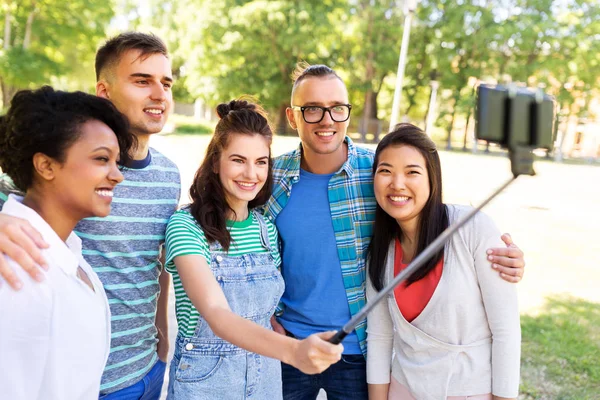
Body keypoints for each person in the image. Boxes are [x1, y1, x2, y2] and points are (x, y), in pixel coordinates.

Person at [262, 63, 526, 400]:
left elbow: (428, 210)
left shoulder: (377, 172)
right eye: (312, 109)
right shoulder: (270, 177)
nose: (327, 120)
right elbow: (250, 246)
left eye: (337, 109)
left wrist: (505, 257)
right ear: (292, 116)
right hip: (291, 345)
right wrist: (266, 314)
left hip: (359, 348)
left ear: (348, 113)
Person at [0, 32, 180, 399]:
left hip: (146, 369)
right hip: (86, 383)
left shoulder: (170, 174)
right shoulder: (62, 164)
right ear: (104, 91)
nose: (159, 94)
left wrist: (161, 339)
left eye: (166, 83)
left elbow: (153, 265)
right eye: (142, 81)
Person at [164, 99, 343, 399]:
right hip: (205, 384)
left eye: (261, 162)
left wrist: (276, 323)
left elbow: (265, 309)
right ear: (215, 162)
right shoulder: (185, 226)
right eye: (238, 160)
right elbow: (217, 314)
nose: (251, 174)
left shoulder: (267, 231)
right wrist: (295, 351)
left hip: (265, 382)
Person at [366, 124, 520, 400]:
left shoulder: (472, 227)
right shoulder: (380, 250)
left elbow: (506, 331)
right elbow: (379, 337)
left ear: (432, 179)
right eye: (385, 171)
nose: (397, 183)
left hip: (469, 391)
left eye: (412, 172)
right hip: (403, 390)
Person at [0, 86, 135, 399]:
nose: (117, 176)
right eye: (102, 159)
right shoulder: (19, 273)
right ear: (46, 165)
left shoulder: (68, 251)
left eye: (117, 162)